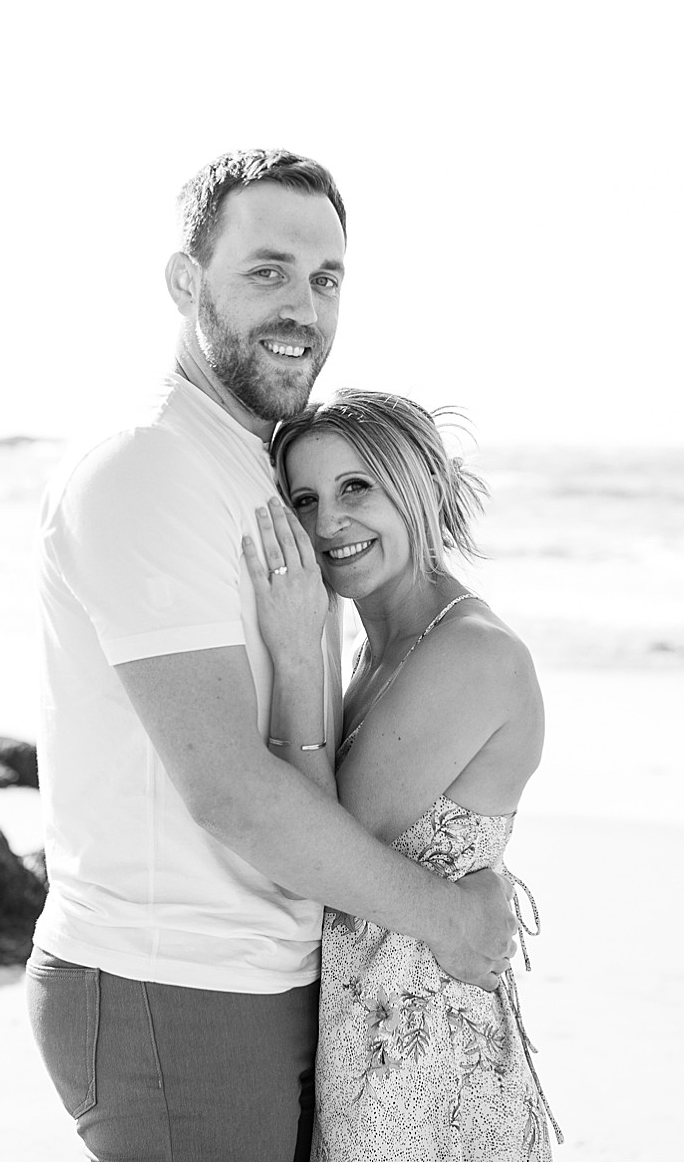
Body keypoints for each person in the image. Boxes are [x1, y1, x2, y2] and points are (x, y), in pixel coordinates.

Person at [24, 149, 520, 1162]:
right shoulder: (151, 464)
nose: (303, 306)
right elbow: (231, 791)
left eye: (325, 278)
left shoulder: (265, 463)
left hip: (262, 976)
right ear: (184, 281)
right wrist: (444, 915)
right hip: (173, 983)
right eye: (267, 271)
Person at [246, 390, 561, 1161]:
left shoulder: (471, 652)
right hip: (376, 1060)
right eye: (305, 499)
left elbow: (318, 852)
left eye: (356, 487)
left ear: (419, 485)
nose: (328, 522)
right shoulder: (378, 650)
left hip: (432, 1083)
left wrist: (296, 653)